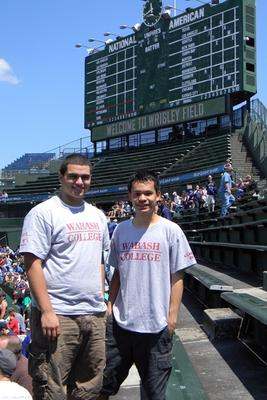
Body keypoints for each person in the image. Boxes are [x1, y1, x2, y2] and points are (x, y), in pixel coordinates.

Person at [98, 170, 196, 400]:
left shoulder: (171, 231)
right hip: (121, 325)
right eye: (137, 194)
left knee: (154, 393)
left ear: (158, 196)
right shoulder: (121, 231)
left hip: (156, 327)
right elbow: (118, 273)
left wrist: (171, 319)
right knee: (103, 386)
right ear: (130, 197)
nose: (143, 198)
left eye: (148, 193)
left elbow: (177, 277)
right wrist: (110, 305)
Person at [19, 154, 110, 400]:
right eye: (73, 176)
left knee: (89, 388)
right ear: (61, 177)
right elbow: (32, 264)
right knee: (51, 389)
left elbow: (99, 261)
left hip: (93, 314)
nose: (79, 182)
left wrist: (101, 301)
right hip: (58, 316)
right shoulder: (43, 213)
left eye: (85, 177)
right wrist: (47, 311)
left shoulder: (97, 216)